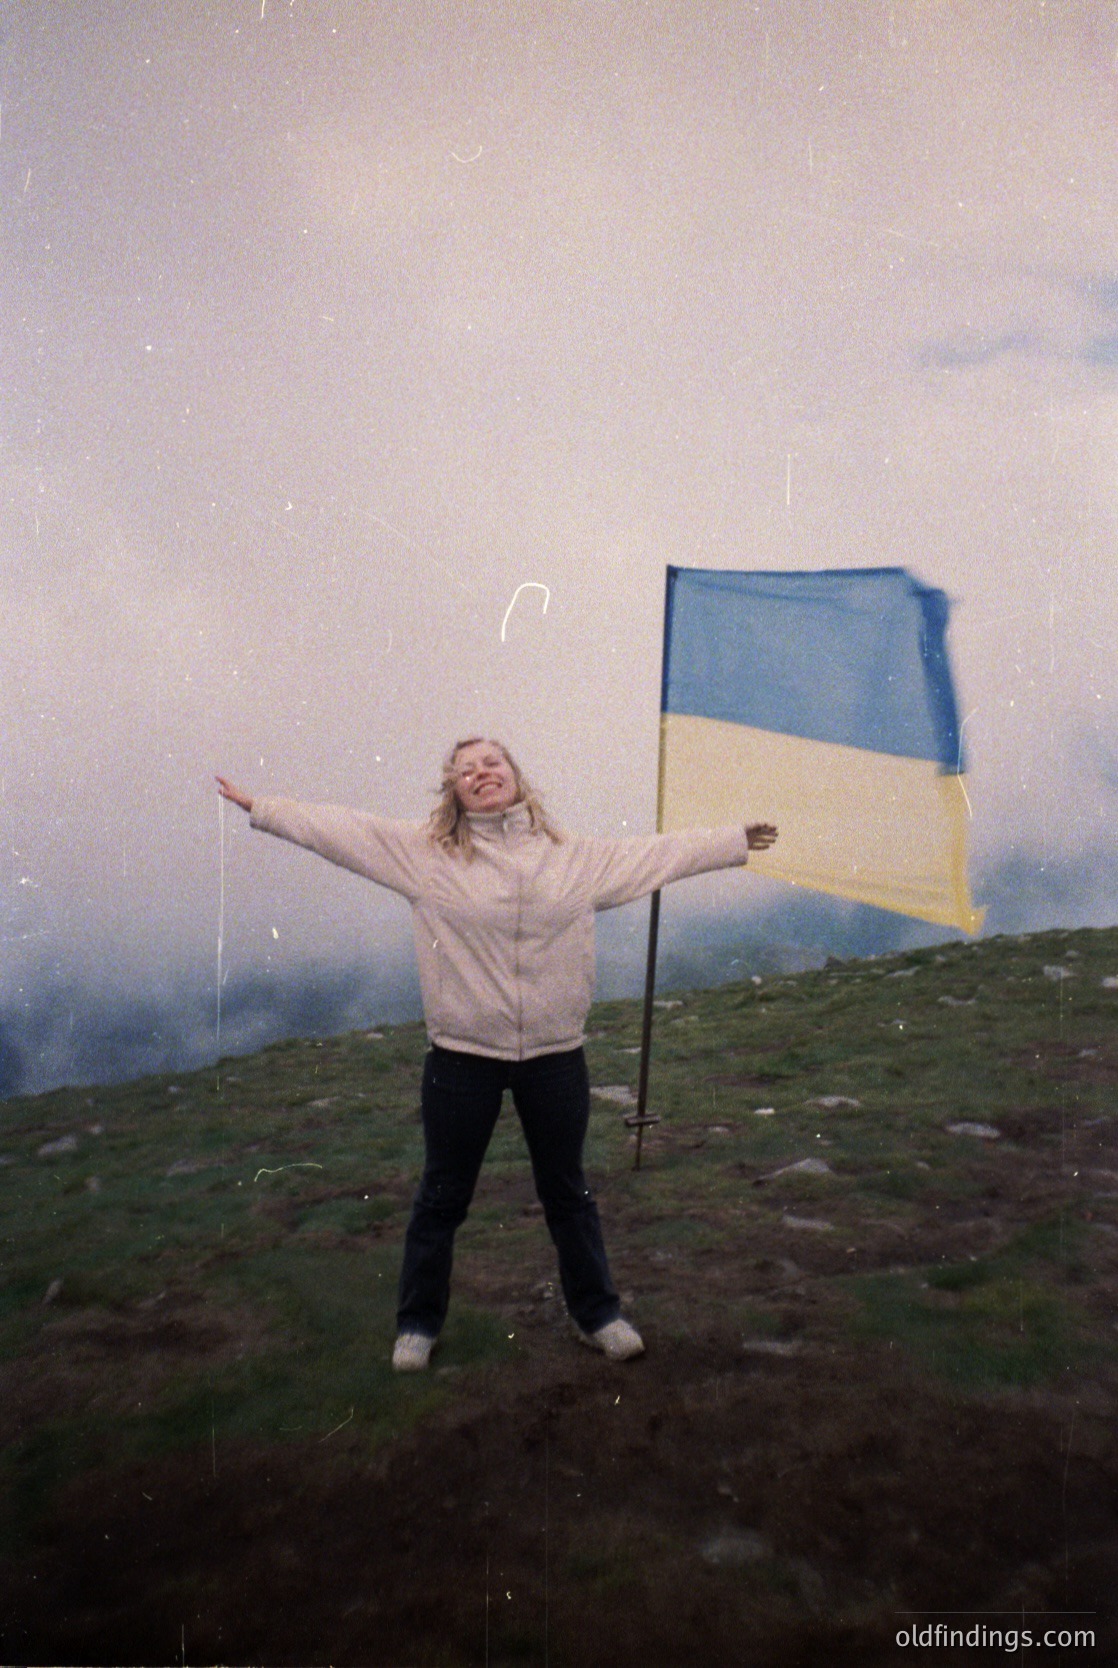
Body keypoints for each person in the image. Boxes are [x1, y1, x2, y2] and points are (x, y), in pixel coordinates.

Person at [216, 739, 776, 1372]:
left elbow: (653, 855)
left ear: (515, 776)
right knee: (443, 1196)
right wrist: (262, 807)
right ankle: (418, 1325)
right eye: (466, 771)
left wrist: (731, 841)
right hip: (462, 1059)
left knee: (567, 1192)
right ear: (454, 791)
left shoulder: (574, 859)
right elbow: (342, 832)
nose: (481, 774)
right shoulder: (425, 856)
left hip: (555, 1056)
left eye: (492, 764)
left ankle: (599, 1316)